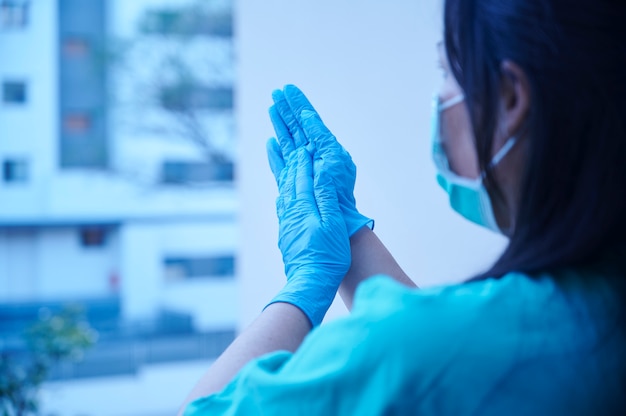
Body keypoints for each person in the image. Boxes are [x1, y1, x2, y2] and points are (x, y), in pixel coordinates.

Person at [178, 0, 626, 414]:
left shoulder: (424, 355)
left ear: (510, 98)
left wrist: (305, 282)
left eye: (447, 72)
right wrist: (349, 229)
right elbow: (451, 349)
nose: (442, 99)